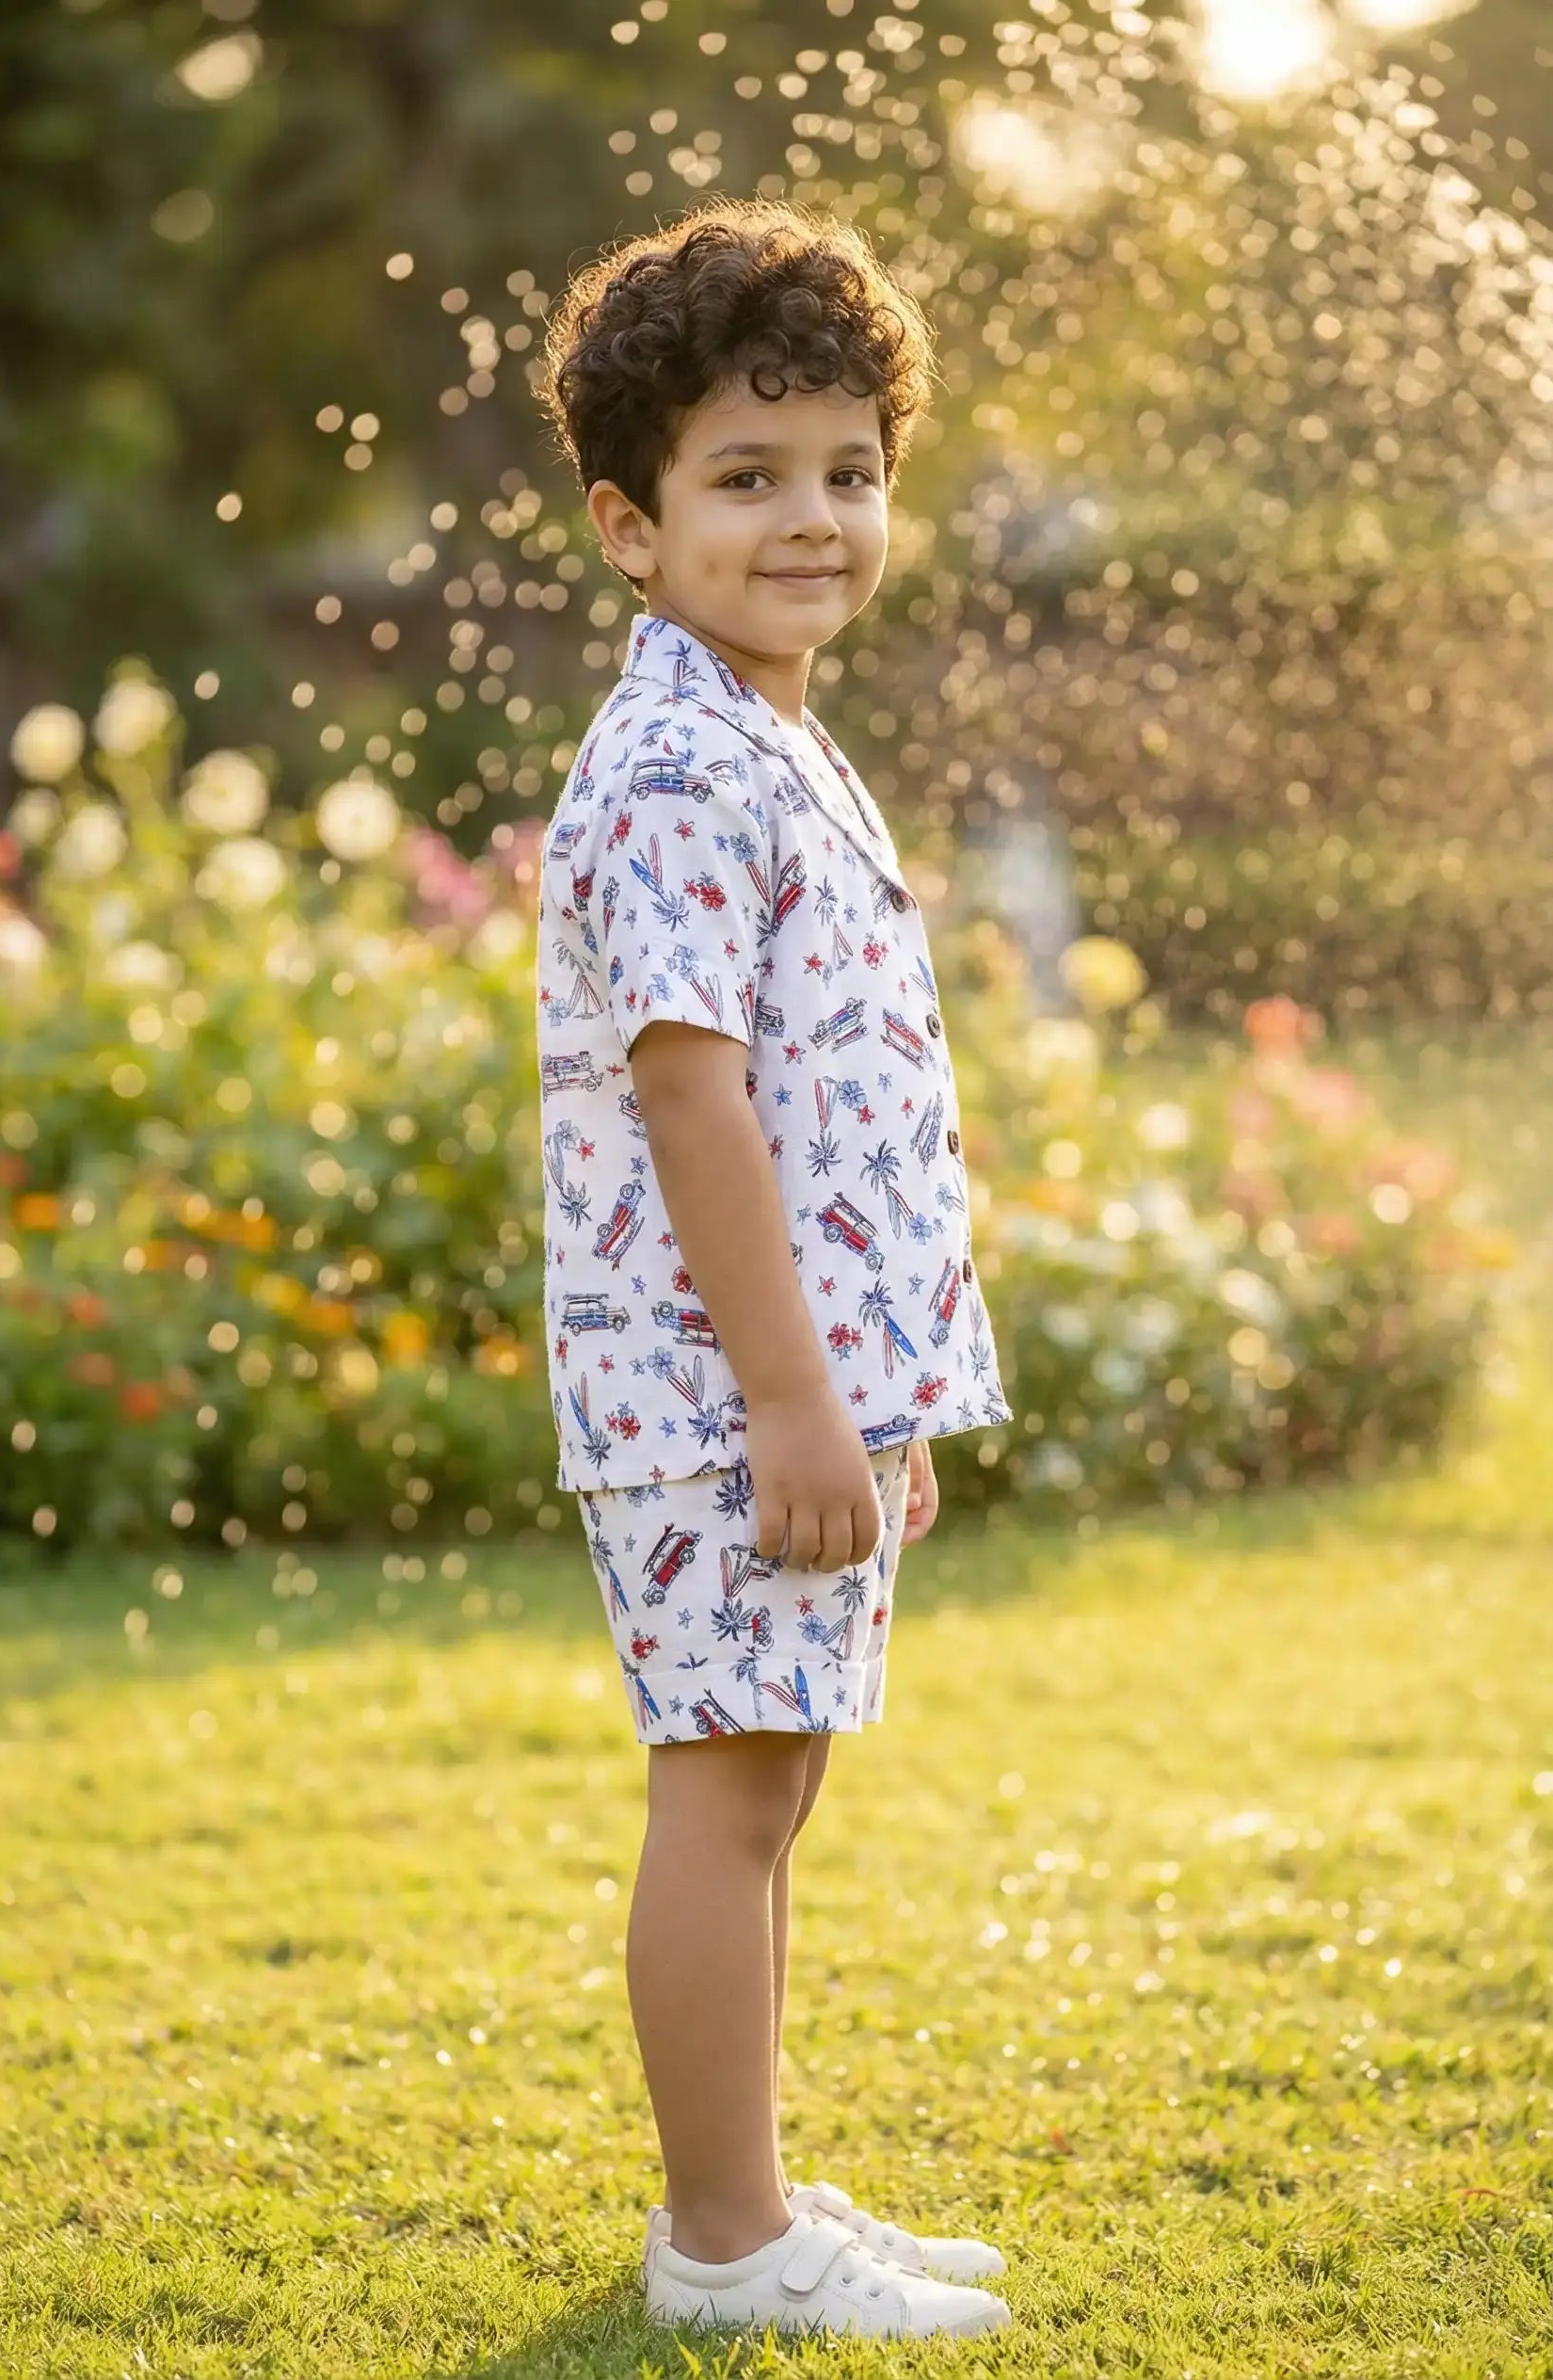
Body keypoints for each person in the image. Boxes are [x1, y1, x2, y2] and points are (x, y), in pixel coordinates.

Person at [534, 199, 1014, 2341]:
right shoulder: (668, 765)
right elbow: (693, 1098)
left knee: (772, 1778)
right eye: (746, 476)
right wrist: (799, 1404)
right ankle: (722, 2244)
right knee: (726, 1798)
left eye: (847, 470)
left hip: (789, 1390)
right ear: (632, 530)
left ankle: (743, 2190)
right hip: (717, 1392)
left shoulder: (760, 733)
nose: (810, 516)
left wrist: (873, 1409)